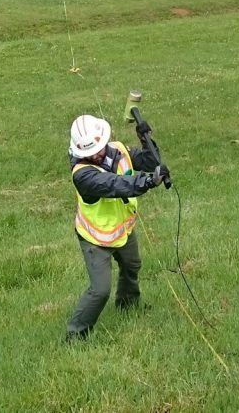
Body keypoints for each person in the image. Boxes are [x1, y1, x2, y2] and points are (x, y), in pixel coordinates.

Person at [65, 114, 169, 342]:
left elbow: (151, 162)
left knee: (132, 265)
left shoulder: (118, 150)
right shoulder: (82, 175)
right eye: (90, 152)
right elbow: (116, 185)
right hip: (95, 238)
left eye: (99, 148)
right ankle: (75, 334)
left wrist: (146, 140)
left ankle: (128, 305)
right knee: (100, 290)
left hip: (122, 229)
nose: (97, 154)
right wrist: (148, 181)